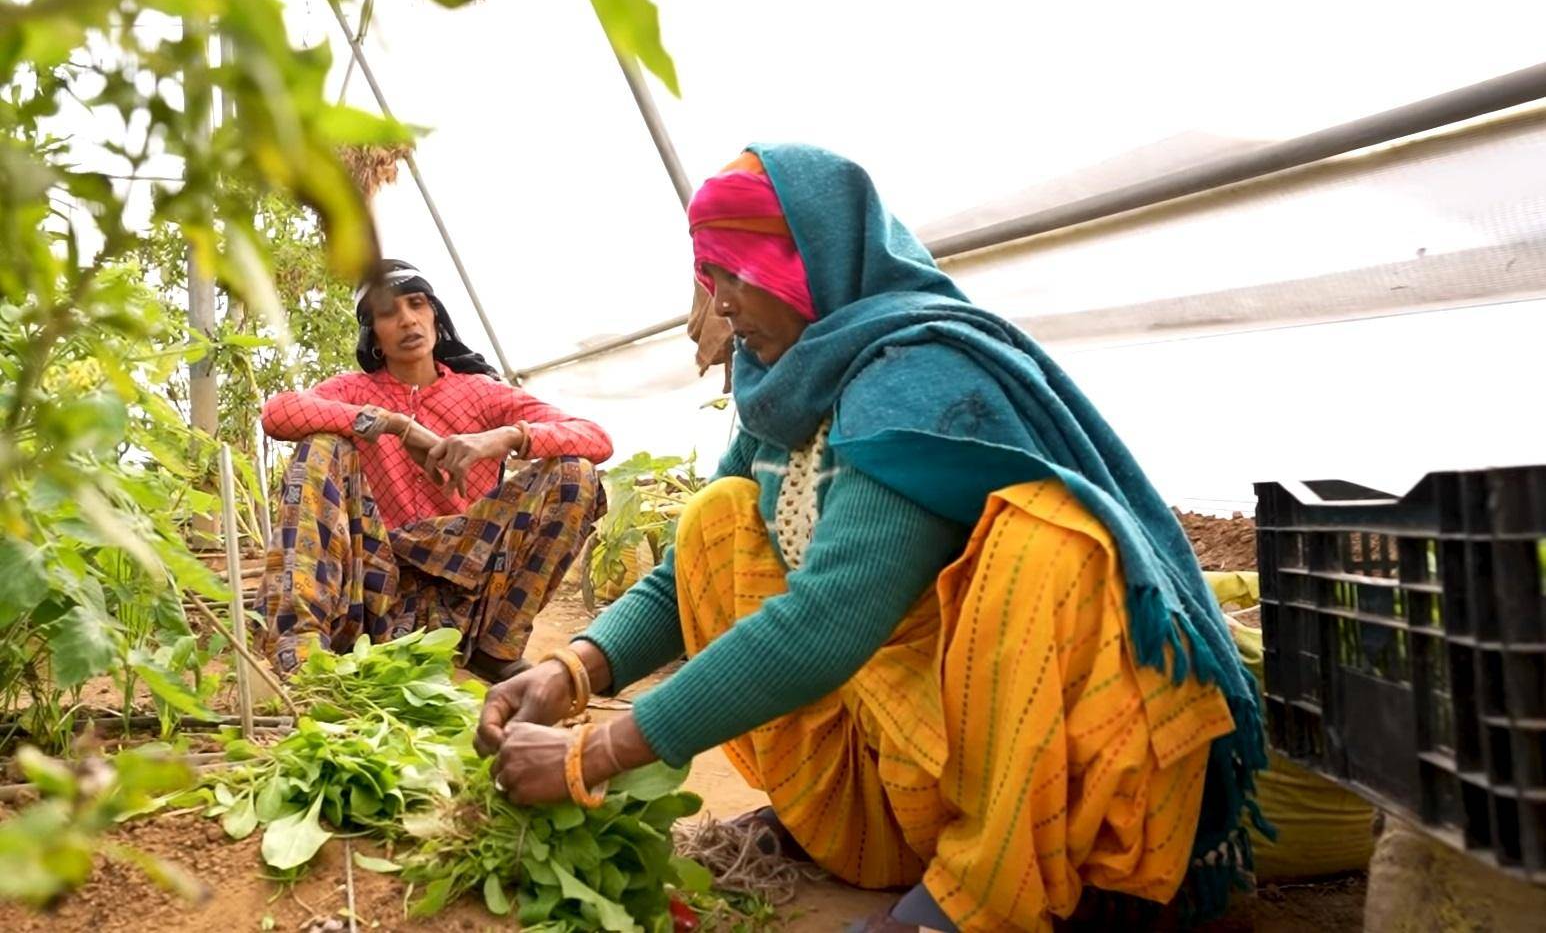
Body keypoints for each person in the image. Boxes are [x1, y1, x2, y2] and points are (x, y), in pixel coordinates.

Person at [475, 147, 1268, 931]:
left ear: (809, 264)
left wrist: (595, 754)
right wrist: (569, 670)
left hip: (1026, 777)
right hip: (910, 755)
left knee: (1044, 544)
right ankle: (846, 831)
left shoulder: (918, 376)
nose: (722, 310)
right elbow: (683, 579)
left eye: (737, 275)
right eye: (711, 280)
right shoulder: (788, 385)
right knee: (717, 517)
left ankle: (986, 893)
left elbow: (829, 620)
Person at [256, 260, 613, 682]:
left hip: (464, 572)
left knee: (576, 474)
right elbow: (278, 413)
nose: (407, 320)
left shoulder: (480, 392)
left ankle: (495, 649)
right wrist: (394, 424)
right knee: (321, 444)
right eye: (389, 312)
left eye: (417, 304)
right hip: (373, 577)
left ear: (435, 315)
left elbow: (595, 438)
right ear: (373, 332)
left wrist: (501, 439)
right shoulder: (354, 390)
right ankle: (302, 649)